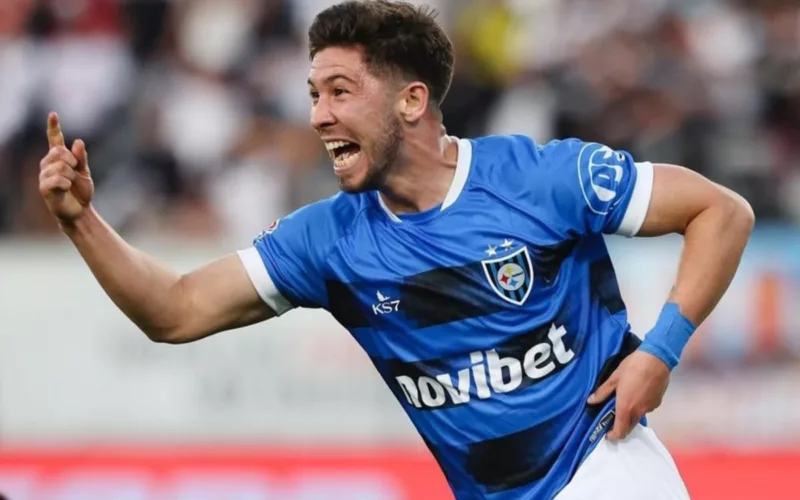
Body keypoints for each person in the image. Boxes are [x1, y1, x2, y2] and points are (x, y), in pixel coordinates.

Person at [38, 1, 754, 499]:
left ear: (411, 101)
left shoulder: (538, 179)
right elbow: (175, 311)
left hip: (609, 473)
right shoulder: (329, 239)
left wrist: (661, 349)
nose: (319, 115)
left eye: (340, 91)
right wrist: (83, 222)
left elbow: (721, 212)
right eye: (314, 93)